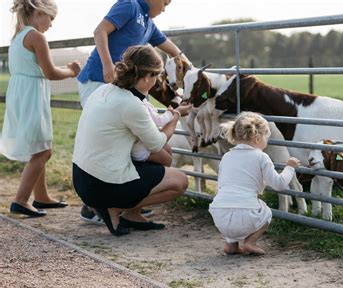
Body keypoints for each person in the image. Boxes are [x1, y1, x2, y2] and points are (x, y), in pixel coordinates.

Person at [76, 0, 188, 224]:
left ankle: (126, 205)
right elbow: (100, 31)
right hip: (100, 80)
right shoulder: (129, 5)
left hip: (119, 88)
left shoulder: (148, 22)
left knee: (134, 143)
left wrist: (186, 64)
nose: (165, 7)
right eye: (165, 2)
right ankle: (95, 205)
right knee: (117, 143)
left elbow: (171, 48)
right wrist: (109, 66)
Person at [1, 0, 81, 217]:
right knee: (43, 151)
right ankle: (20, 200)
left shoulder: (17, 37)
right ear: (38, 13)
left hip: (21, 94)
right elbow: (51, 73)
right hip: (31, 96)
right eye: (51, 18)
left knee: (40, 147)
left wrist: (64, 69)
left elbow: (45, 69)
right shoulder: (36, 36)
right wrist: (72, 71)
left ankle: (42, 197)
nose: (52, 24)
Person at [209, 112, 301, 255]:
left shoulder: (227, 156)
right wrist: (289, 167)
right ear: (258, 138)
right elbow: (279, 184)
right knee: (266, 212)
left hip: (219, 216)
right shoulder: (261, 157)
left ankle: (231, 244)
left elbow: (222, 185)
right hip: (245, 216)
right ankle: (250, 242)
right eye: (266, 137)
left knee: (232, 203)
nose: (267, 141)